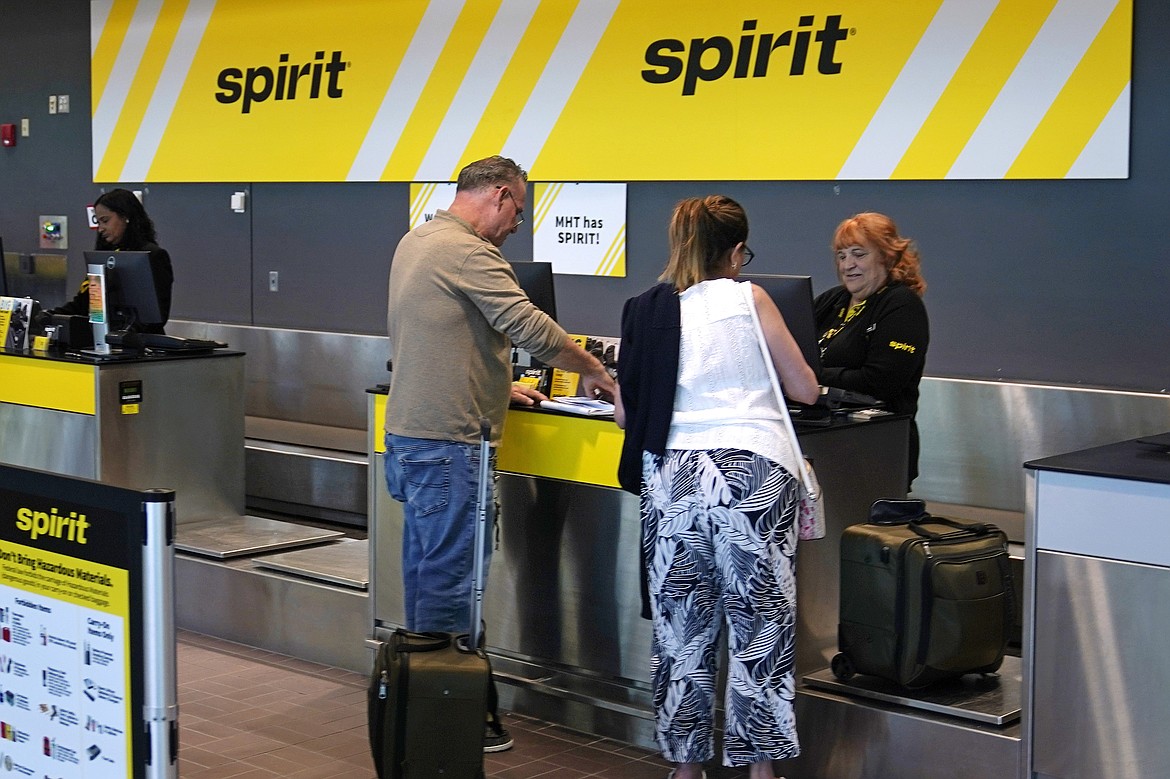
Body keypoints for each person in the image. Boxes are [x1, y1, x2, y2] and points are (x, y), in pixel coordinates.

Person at [382, 155, 615, 753]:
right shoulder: (468, 251)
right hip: (448, 444)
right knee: (454, 578)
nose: (518, 225)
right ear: (502, 195)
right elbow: (529, 326)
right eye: (519, 210)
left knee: (427, 571)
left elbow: (441, 332)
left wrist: (495, 382)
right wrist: (593, 368)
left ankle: (428, 697)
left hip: (413, 436)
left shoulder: (419, 240)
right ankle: (449, 716)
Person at [614, 195, 819, 779]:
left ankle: (685, 767)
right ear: (735, 251)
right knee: (760, 627)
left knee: (683, 630)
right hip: (752, 471)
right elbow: (803, 387)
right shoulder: (749, 298)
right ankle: (758, 770)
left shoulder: (643, 308)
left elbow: (630, 416)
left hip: (674, 477)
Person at [814, 212, 929, 487]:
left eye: (858, 254)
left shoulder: (901, 305)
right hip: (824, 441)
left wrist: (811, 375)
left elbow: (879, 383)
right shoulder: (833, 300)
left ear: (887, 257)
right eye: (841, 256)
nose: (847, 265)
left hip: (877, 448)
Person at [48, 188, 174, 333]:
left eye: (105, 221)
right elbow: (84, 303)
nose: (100, 229)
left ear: (125, 217)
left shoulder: (153, 255)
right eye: (98, 222)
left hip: (143, 347)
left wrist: (124, 334)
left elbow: (156, 316)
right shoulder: (104, 257)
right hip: (103, 342)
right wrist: (50, 315)